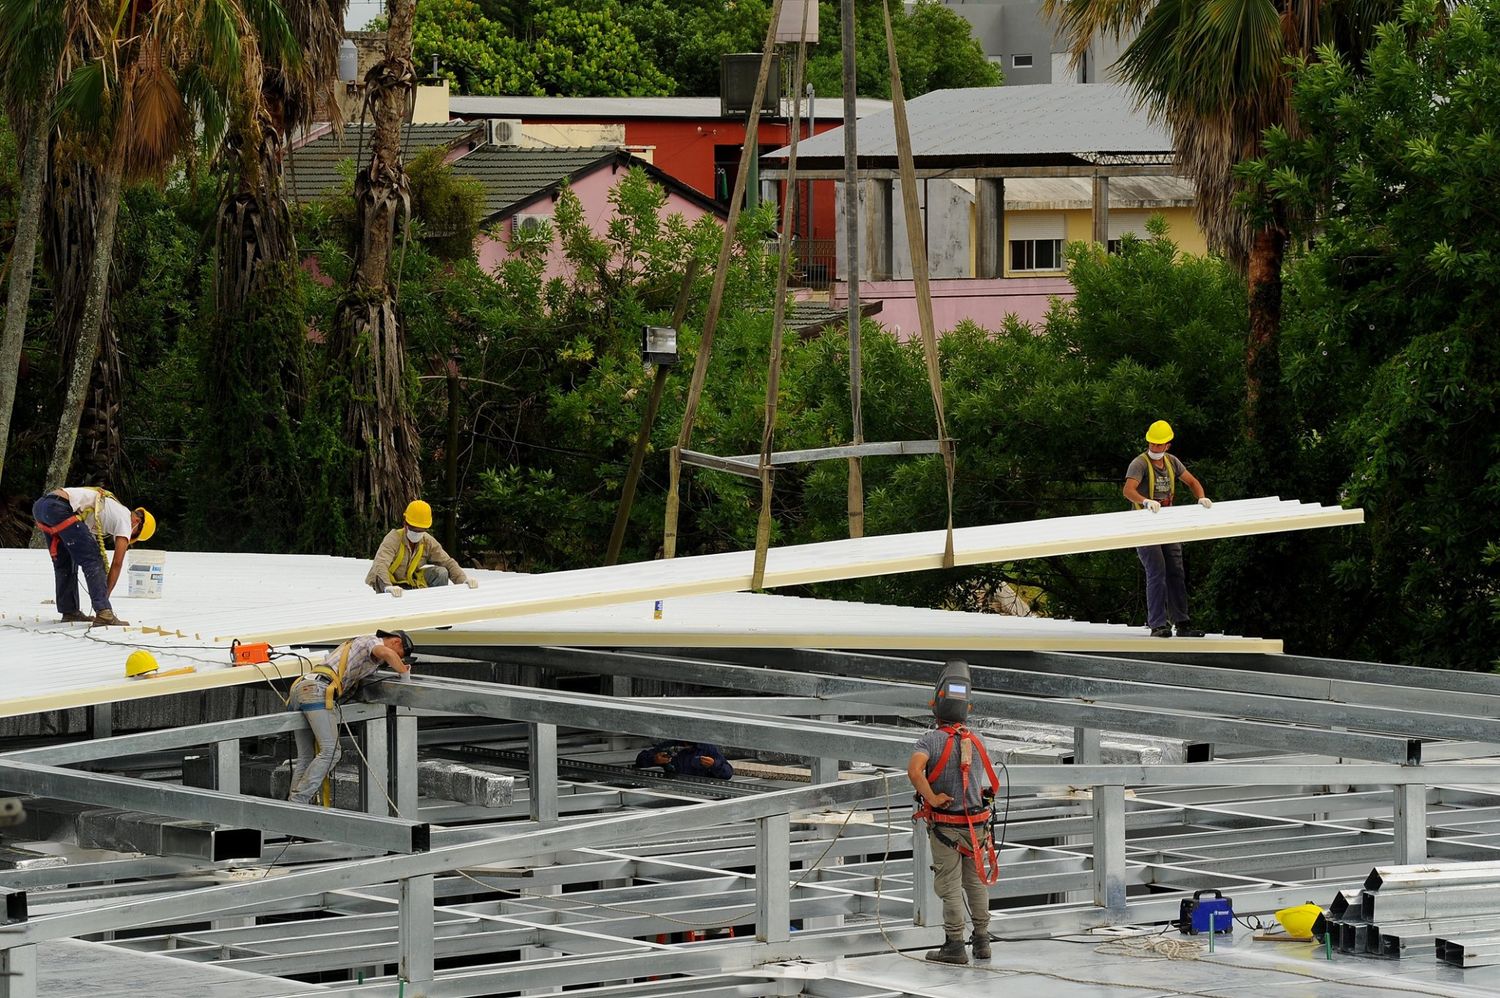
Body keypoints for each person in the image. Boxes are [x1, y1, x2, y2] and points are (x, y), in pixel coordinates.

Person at [908, 660, 1000, 965]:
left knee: (949, 884)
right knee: (976, 882)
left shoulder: (930, 741)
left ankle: (954, 945)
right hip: (976, 825)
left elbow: (914, 770)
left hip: (947, 827)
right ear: (967, 708)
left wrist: (932, 797)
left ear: (935, 704)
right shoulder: (978, 739)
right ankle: (983, 941)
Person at [288, 629, 415, 806]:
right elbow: (386, 653)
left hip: (302, 688)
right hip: (316, 690)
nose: (396, 660)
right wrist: (405, 676)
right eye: (400, 655)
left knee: (306, 756)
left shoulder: (362, 653)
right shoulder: (371, 642)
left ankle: (293, 806)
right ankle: (299, 800)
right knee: (331, 752)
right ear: (396, 642)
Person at [1122, 420, 1213, 638]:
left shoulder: (1172, 462)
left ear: (1167, 445)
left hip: (1168, 524)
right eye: (1151, 444)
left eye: (1158, 445)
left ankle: (1182, 623)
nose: (1154, 448)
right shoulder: (1139, 463)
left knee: (1176, 571)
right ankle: (1158, 625)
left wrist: (1201, 497)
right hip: (1144, 525)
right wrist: (1144, 501)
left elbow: (1192, 481)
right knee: (1156, 571)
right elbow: (1128, 490)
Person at [32, 486, 156, 626]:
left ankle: (69, 611)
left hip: (42, 507)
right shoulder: (125, 519)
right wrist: (104, 598)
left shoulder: (109, 510)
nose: (128, 536)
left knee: (65, 564)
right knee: (94, 560)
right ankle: (104, 613)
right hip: (59, 508)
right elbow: (117, 563)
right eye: (133, 536)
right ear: (137, 523)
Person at [364, 499, 479, 596]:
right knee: (380, 576)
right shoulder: (394, 538)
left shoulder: (427, 541)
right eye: (414, 529)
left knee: (441, 572)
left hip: (410, 581)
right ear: (406, 524)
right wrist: (388, 587)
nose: (417, 533)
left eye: (421, 530)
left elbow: (447, 562)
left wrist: (463, 580)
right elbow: (380, 564)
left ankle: (436, 616)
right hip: (388, 583)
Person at [633, 741, 734, 779]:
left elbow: (728, 773)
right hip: (673, 790)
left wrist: (714, 764)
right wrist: (654, 759)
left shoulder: (707, 748)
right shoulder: (670, 745)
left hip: (700, 792)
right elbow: (640, 760)